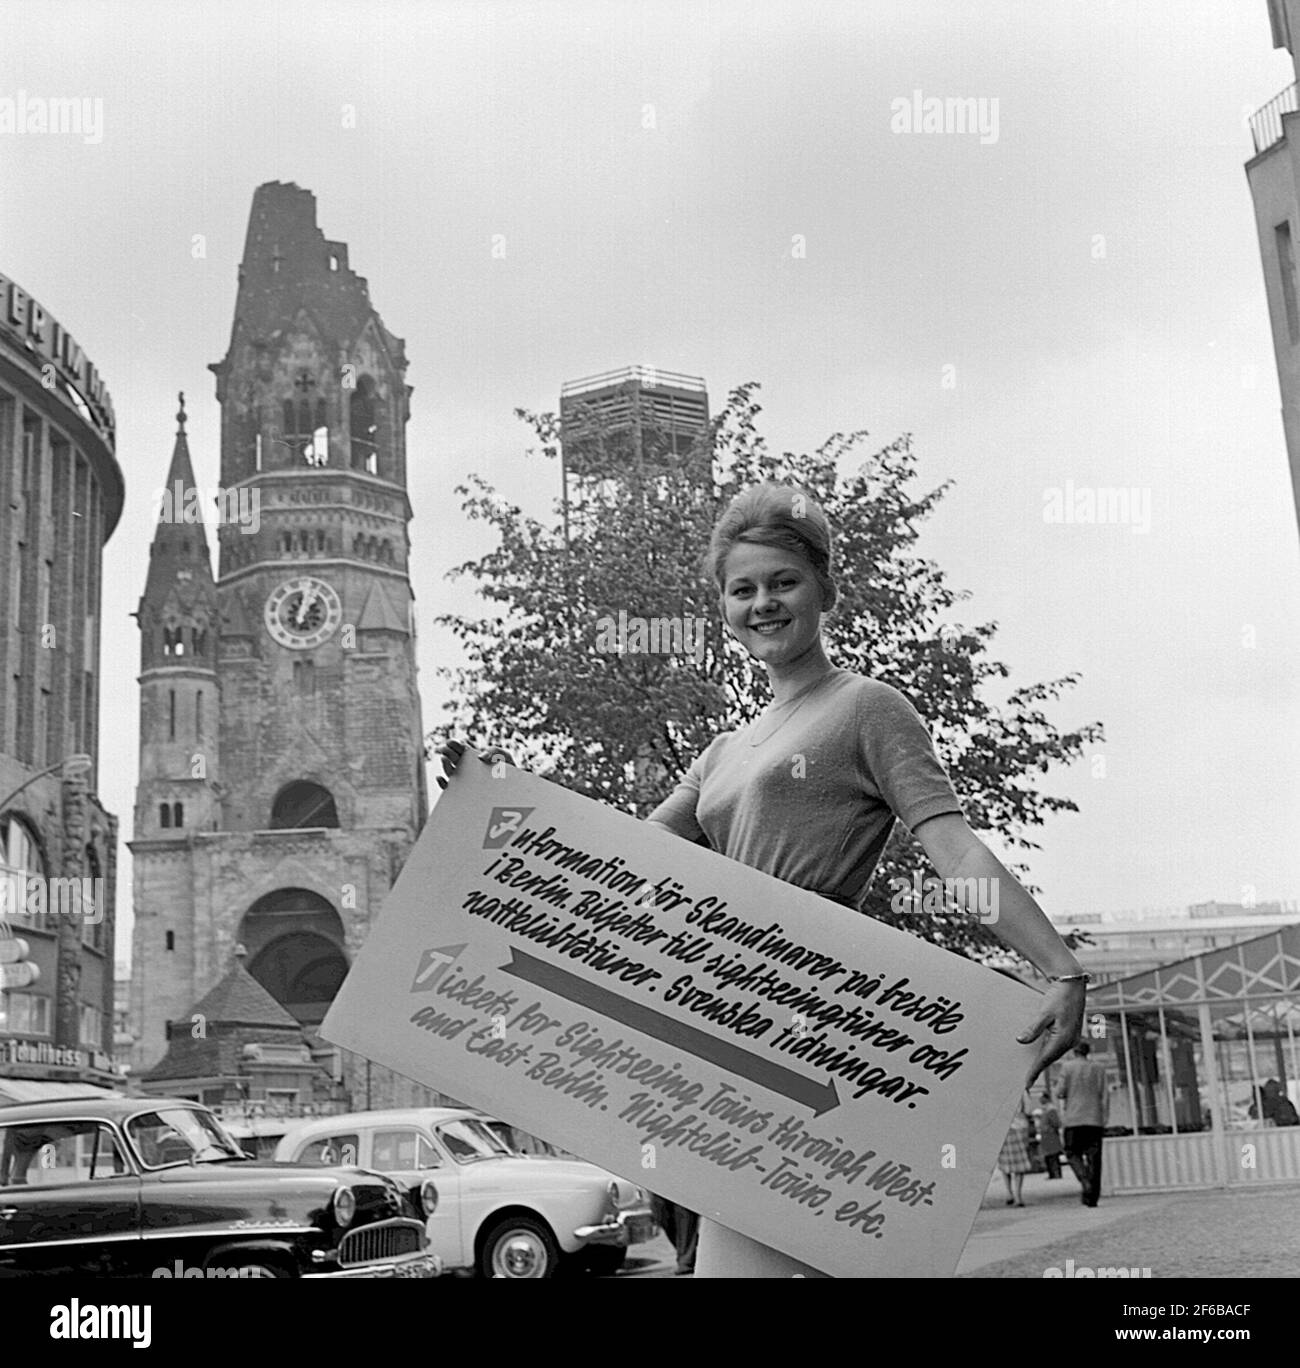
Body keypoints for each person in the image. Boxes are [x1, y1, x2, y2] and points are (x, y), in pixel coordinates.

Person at [438, 482, 1088, 1278]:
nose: (764, 602)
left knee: (808, 1249)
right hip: (727, 1018)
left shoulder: (867, 708)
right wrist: (494, 797)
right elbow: (615, 857)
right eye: (742, 589)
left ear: (824, 590)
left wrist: (1058, 966)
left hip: (817, 1013)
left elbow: (950, 847)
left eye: (782, 582)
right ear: (723, 610)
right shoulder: (719, 751)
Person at [1056, 1040, 1108, 1207]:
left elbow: (1060, 1092)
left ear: (1074, 1052)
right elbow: (1105, 1095)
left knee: (1072, 1152)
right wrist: (1104, 1117)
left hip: (1073, 1119)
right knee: (1094, 1158)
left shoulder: (1067, 1068)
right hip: (1094, 1119)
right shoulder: (1098, 1068)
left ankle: (1084, 1178)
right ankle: (1092, 1197)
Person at [996, 1100, 1033, 1206]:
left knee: (1004, 1164)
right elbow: (1027, 1110)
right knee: (1019, 1166)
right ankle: (1018, 1196)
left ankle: (1009, 1193)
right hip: (1019, 1129)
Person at [1037, 1091, 1064, 1179]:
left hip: (1051, 1135)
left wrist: (1051, 1129)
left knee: (1053, 1155)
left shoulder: (1051, 1109)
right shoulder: (1045, 1108)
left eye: (1041, 1098)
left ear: (1046, 1098)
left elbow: (1056, 1122)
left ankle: (1056, 1173)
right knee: (1048, 1156)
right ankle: (1052, 1173)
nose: (1039, 1100)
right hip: (1046, 1135)